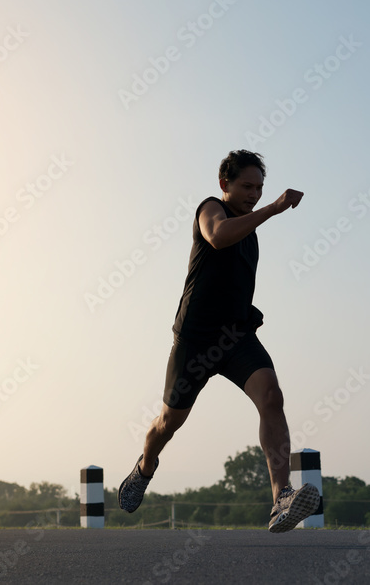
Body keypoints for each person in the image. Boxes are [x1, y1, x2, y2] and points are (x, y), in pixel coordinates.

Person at [118, 150, 320, 533]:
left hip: (236, 337)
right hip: (195, 341)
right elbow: (217, 237)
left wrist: (263, 213)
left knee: (272, 396)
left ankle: (281, 498)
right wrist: (274, 208)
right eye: (247, 186)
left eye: (260, 188)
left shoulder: (250, 232)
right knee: (167, 423)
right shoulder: (212, 209)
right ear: (224, 184)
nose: (254, 194)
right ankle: (145, 466)